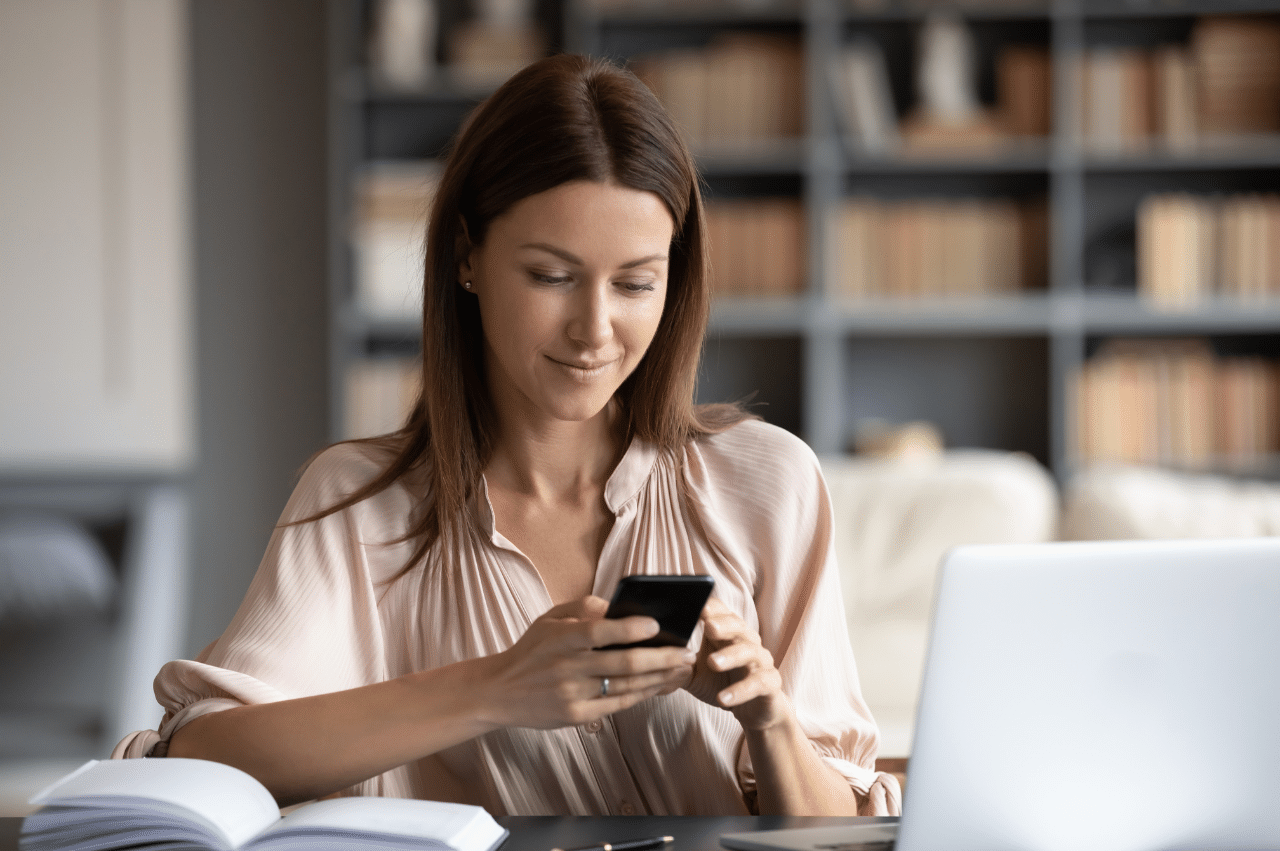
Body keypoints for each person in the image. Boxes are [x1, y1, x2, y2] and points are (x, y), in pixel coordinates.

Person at [113, 53, 901, 818]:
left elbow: (840, 827)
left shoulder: (770, 481)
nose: (596, 328)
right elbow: (203, 755)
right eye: (552, 276)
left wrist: (769, 717)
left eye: (635, 282)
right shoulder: (360, 505)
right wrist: (496, 686)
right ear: (467, 257)